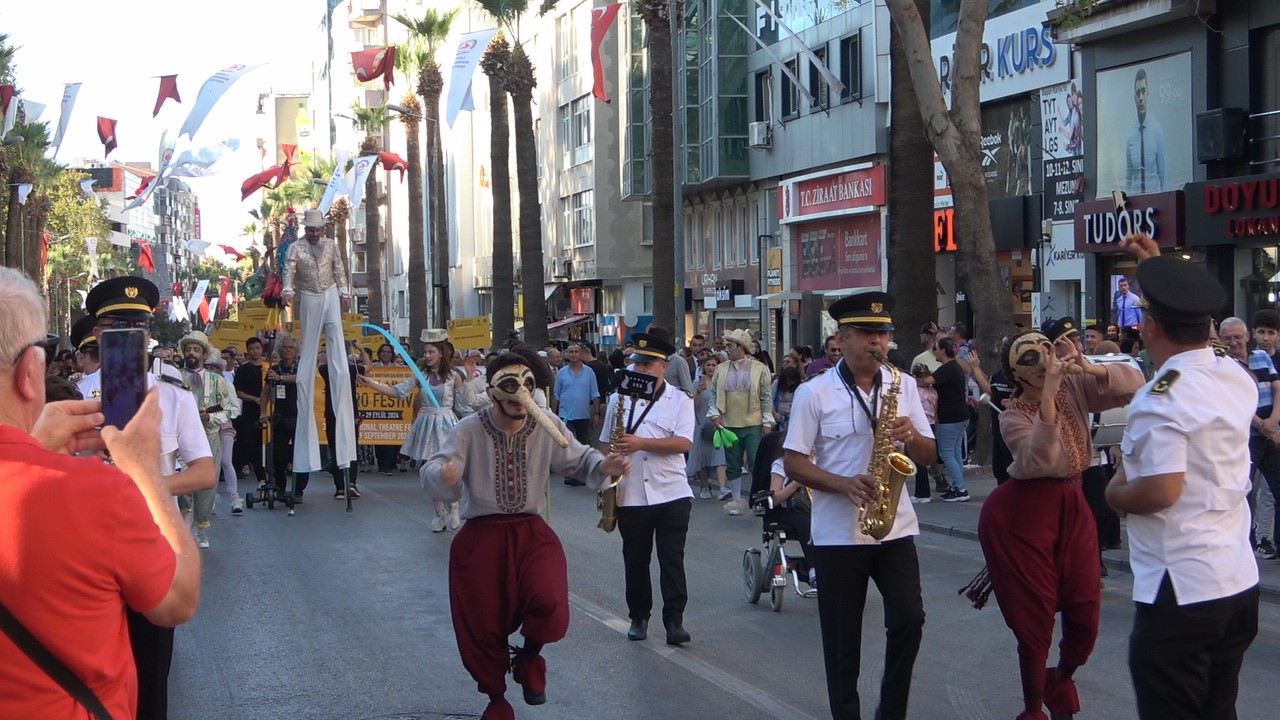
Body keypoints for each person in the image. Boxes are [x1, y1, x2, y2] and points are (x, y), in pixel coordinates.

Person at [422, 353, 630, 720]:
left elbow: (580, 459)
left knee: (550, 601)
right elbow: (435, 468)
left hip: (529, 531)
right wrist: (446, 474)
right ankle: (495, 698)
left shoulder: (545, 422)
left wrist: (604, 465)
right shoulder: (469, 429)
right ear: (493, 392)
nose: (521, 396)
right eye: (511, 387)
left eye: (528, 386)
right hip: (481, 537)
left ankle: (530, 657)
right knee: (482, 625)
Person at [1107, 234, 1259, 720]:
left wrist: (1116, 493)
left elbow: (1161, 490)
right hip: (1235, 577)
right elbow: (1199, 343)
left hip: (1182, 588)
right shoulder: (1233, 374)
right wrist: (1159, 269)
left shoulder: (1160, 397)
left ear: (1149, 327)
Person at [783, 291, 937, 720]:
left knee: (910, 619)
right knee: (841, 639)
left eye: (883, 334)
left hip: (895, 526)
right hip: (836, 533)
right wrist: (842, 484)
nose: (878, 343)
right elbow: (793, 461)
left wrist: (913, 436)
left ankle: (892, 711)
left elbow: (927, 455)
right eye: (867, 334)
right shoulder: (814, 393)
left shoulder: (902, 384)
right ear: (843, 337)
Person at [977, 329, 1142, 720]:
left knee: (1086, 610)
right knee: (1034, 623)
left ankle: (1061, 677)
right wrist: (1049, 396)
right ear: (1016, 373)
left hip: (1073, 504)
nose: (1042, 368)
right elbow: (1042, 462)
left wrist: (1090, 367)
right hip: (1023, 517)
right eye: (1029, 363)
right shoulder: (1013, 414)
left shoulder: (1075, 385)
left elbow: (1135, 386)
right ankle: (1033, 709)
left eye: (1045, 356)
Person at [84, 275, 214, 720]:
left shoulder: (174, 398)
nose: (131, 337)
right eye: (120, 327)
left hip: (153, 540)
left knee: (151, 672)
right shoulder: (72, 399)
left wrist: (146, 482)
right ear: (100, 334)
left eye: (139, 328)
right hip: (86, 545)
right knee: (89, 671)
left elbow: (204, 471)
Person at [600, 333, 696, 645]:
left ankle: (674, 621)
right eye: (637, 363)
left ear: (664, 367)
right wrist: (612, 459)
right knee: (636, 559)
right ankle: (639, 617)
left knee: (672, 560)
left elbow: (683, 443)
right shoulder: (619, 399)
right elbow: (604, 443)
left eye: (648, 364)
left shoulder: (681, 401)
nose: (640, 369)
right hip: (631, 493)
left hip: (671, 492)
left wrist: (641, 443)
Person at [361, 331, 473, 528]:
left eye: (431, 352)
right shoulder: (421, 375)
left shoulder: (454, 377)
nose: (427, 356)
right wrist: (371, 383)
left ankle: (454, 506)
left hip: (447, 424)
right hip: (426, 424)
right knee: (430, 470)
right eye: (425, 352)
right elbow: (397, 392)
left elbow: (463, 407)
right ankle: (439, 514)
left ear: (441, 353)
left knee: (448, 467)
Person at [282, 208, 357, 484]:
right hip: (309, 296)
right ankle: (307, 369)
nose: (315, 234)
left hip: (329, 293)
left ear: (323, 229)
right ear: (306, 230)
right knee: (310, 342)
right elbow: (288, 272)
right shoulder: (295, 248)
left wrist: (346, 292)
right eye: (311, 230)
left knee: (336, 336)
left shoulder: (331, 245)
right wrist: (287, 291)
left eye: (318, 230)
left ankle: (340, 371)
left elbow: (339, 268)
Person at [1218, 316, 1280, 558]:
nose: (1234, 342)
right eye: (1228, 338)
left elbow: (1277, 387)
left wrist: (1274, 420)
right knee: (1243, 492)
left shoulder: (1262, 357)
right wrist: (1262, 425)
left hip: (1270, 432)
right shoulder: (1222, 363)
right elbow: (1232, 399)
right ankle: (1245, 544)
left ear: (1247, 336)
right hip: (1246, 438)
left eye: (1237, 336)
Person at [179, 331, 240, 548]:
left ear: (204, 354)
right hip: (182, 438)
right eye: (188, 350)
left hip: (209, 435)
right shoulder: (176, 378)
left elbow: (230, 408)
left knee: (207, 481)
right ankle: (184, 523)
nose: (191, 353)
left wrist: (210, 415)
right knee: (182, 479)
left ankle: (201, 529)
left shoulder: (216, 381)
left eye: (195, 350)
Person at [708, 329, 774, 512]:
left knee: (756, 462)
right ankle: (737, 500)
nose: (727, 348)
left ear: (742, 348)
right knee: (733, 463)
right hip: (729, 424)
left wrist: (767, 423)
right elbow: (714, 395)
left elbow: (766, 398)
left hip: (753, 423)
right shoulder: (721, 369)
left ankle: (760, 499)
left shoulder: (760, 368)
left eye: (731, 345)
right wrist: (715, 415)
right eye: (727, 345)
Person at [919, 337, 971, 501]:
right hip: (961, 415)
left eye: (936, 347)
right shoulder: (954, 367)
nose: (934, 350)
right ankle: (957, 486)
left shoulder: (947, 369)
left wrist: (909, 380)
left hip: (951, 417)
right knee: (955, 453)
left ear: (942, 350)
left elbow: (926, 381)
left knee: (946, 453)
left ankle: (961, 489)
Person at [1252, 308, 1280, 559]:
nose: (1266, 337)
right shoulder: (1251, 359)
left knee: (1270, 490)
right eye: (1261, 332)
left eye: (1271, 333)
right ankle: (1259, 535)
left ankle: (1267, 538)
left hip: (1275, 428)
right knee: (1251, 488)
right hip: (1254, 430)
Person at [264, 335, 307, 501]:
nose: (288, 350)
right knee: (278, 456)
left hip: (299, 416)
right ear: (280, 350)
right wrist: (262, 413)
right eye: (285, 347)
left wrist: (281, 378)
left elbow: (301, 378)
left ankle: (298, 490)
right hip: (280, 417)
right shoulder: (274, 369)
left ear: (296, 351)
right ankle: (280, 487)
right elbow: (265, 392)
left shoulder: (302, 367)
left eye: (291, 347)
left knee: (301, 455)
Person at [552, 343, 600, 486]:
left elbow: (595, 393)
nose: (573, 354)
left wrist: (597, 413)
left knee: (582, 444)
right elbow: (556, 395)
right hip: (565, 414)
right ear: (567, 354)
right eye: (571, 352)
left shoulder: (589, 372)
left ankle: (581, 475)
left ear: (581, 354)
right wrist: (553, 415)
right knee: (567, 445)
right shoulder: (561, 373)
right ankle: (570, 473)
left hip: (582, 414)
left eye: (576, 352)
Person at [232, 336, 269, 502]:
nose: (255, 351)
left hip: (270, 412)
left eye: (258, 348)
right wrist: (254, 399)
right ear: (248, 351)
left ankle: (273, 476)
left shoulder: (269, 368)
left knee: (269, 445)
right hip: (250, 412)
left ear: (262, 349)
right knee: (253, 445)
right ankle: (261, 477)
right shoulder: (243, 370)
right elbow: (238, 392)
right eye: (252, 348)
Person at [688, 355, 728, 500]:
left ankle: (723, 488)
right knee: (702, 458)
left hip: (718, 423)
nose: (711, 368)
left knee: (720, 456)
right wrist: (698, 392)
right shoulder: (697, 382)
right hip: (701, 423)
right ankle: (705, 487)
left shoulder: (722, 382)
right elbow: (693, 405)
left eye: (714, 365)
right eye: (708, 365)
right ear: (704, 367)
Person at [1125, 67, 1166, 194]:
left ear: (1148, 93)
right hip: (1137, 207)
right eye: (1138, 93)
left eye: (1143, 91)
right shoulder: (1130, 135)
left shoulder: (1157, 131)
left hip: (1156, 205)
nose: (1141, 97)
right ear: (1134, 98)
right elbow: (1128, 179)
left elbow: (1162, 174)